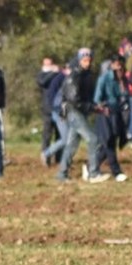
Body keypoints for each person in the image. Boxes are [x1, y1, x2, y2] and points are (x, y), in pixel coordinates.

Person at [56, 48, 110, 183]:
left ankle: (61, 174)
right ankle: (93, 173)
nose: (88, 62)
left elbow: (86, 98)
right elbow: (75, 101)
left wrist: (97, 108)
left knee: (71, 144)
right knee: (93, 139)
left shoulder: (87, 75)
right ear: (79, 60)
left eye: (89, 59)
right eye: (85, 60)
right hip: (74, 112)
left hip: (79, 111)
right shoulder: (75, 76)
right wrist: (93, 107)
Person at [93, 54, 129, 182]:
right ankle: (116, 171)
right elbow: (97, 98)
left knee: (110, 142)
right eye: (117, 65)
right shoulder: (104, 79)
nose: (119, 68)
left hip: (116, 112)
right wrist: (103, 107)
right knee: (108, 142)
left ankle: (91, 166)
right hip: (105, 113)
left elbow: (124, 95)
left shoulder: (122, 79)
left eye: (121, 66)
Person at [36, 57, 61, 152]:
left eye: (50, 64)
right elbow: (42, 82)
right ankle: (46, 156)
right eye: (46, 64)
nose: (48, 66)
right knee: (47, 135)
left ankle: (59, 158)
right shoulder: (41, 75)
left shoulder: (58, 75)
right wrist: (53, 73)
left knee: (59, 135)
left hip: (58, 108)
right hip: (47, 109)